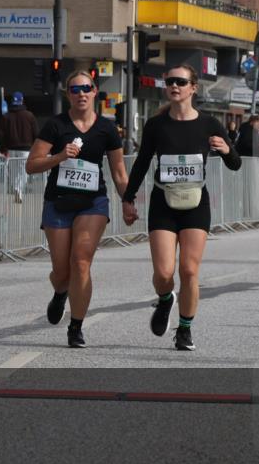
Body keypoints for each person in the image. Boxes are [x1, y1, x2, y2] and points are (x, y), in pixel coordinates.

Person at [122, 65, 242, 351]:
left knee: (189, 271)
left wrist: (226, 150)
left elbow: (235, 163)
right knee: (164, 274)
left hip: (195, 204)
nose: (174, 85)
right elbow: (141, 163)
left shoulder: (209, 124)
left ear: (193, 88)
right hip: (163, 203)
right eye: (170, 81)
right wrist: (129, 198)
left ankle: (185, 329)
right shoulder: (156, 125)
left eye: (180, 81)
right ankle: (165, 300)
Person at [26, 71, 128, 348]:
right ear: (68, 94)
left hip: (93, 202)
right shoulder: (56, 126)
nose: (81, 93)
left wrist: (128, 201)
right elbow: (32, 164)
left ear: (95, 92)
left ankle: (76, 326)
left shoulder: (107, 128)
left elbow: (119, 172)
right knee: (61, 271)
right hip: (58, 202)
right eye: (75, 89)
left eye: (86, 88)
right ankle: (60, 293)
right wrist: (60, 156)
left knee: (81, 261)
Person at [0, 91, 38, 203]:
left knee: (13, 172)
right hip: (26, 149)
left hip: (11, 148)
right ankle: (19, 190)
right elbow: (36, 134)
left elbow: (1, 135)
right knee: (24, 171)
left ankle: (16, 189)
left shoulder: (6, 117)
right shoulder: (29, 115)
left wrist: (3, 149)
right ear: (22, 101)